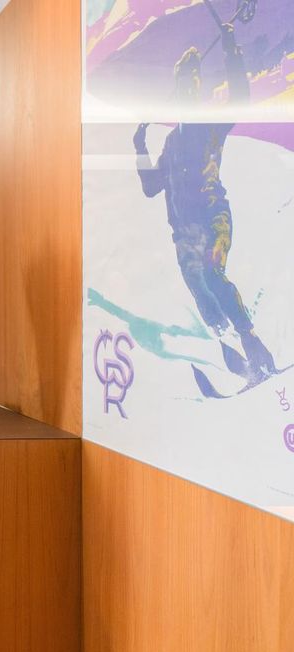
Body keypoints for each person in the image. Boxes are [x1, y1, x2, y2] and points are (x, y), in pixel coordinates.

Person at [133, 23, 277, 384]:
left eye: (192, 84)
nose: (188, 91)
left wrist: (231, 50)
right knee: (199, 288)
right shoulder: (170, 142)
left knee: (212, 277)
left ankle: (253, 344)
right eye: (183, 84)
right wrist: (140, 146)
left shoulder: (210, 125)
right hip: (183, 233)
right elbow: (151, 187)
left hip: (213, 218)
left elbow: (241, 99)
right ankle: (236, 356)